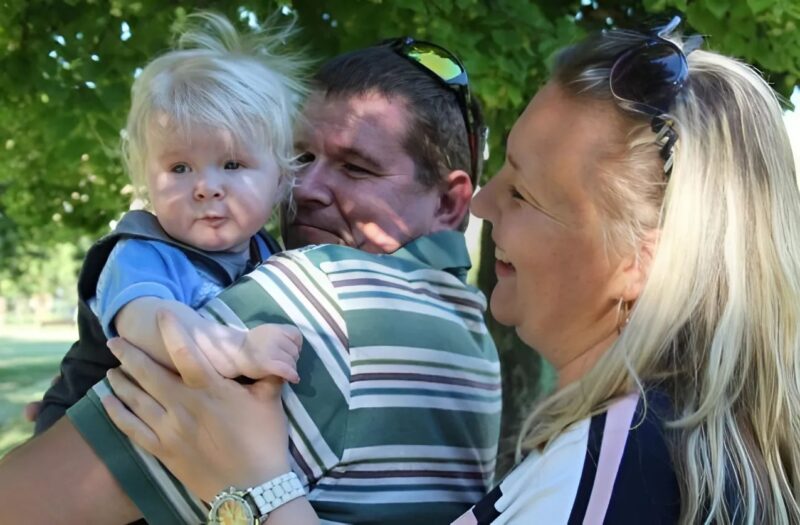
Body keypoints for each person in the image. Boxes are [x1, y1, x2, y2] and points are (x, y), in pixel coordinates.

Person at [96, 16, 800, 524]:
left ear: (639, 261)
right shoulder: (687, 445)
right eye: (298, 157)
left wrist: (253, 493)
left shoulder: (621, 469)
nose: (486, 206)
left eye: (522, 192)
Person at [0, 28, 501, 525]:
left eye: (355, 167)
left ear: (450, 201)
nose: (304, 186)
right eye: (300, 157)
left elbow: (21, 506)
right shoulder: (474, 336)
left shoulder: (315, 295)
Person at [33, 12, 305, 434]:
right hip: (83, 439)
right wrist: (236, 349)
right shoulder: (142, 253)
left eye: (232, 163)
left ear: (281, 179)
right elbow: (150, 323)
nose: (205, 187)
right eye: (179, 168)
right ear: (148, 181)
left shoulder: (268, 255)